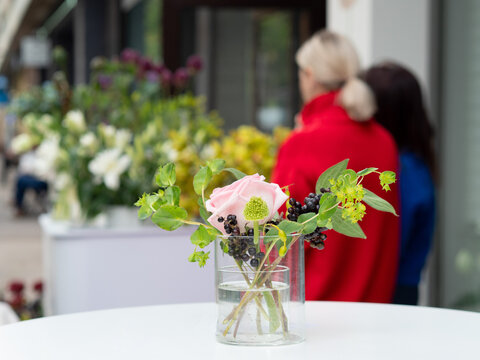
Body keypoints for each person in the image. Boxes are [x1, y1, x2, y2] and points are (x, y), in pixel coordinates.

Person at [272, 30, 400, 302]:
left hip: (316, 314)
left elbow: (281, 241)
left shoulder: (301, 143)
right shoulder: (384, 141)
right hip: (376, 311)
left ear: (310, 76)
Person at [365, 62, 436, 305]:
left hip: (389, 293)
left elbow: (391, 248)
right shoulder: (416, 164)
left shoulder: (401, 173)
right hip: (402, 289)